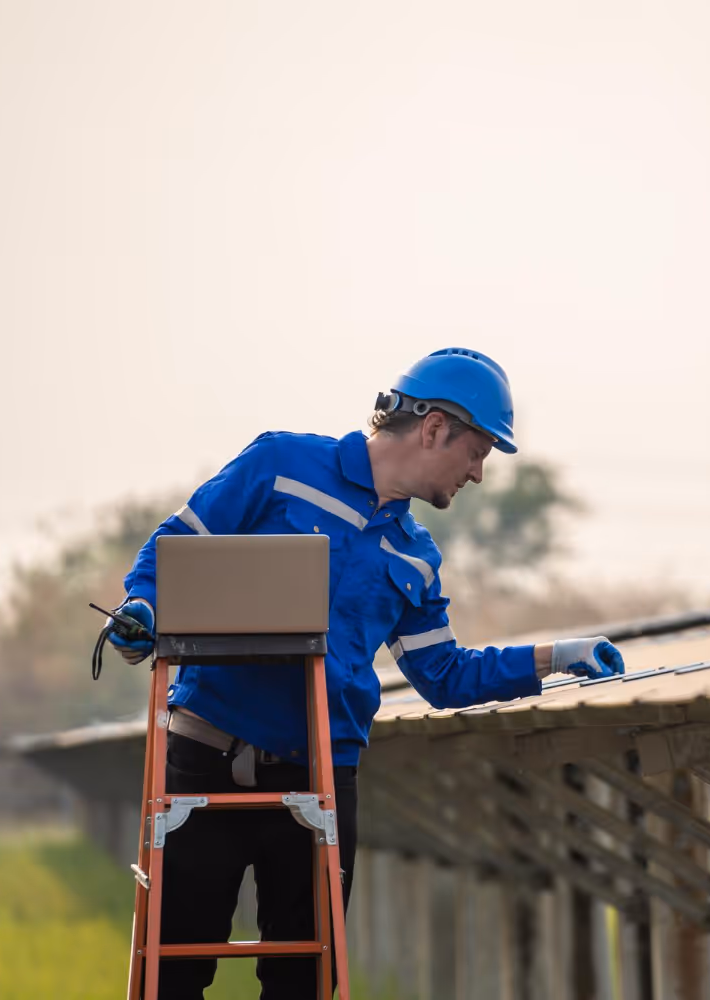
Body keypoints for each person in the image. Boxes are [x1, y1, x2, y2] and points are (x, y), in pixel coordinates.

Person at [107, 347, 626, 999]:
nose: (478, 475)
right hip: (204, 760)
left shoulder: (417, 556)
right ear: (436, 428)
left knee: (304, 981)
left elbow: (445, 674)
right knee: (173, 971)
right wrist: (143, 608)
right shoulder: (281, 466)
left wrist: (560, 657)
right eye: (477, 453)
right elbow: (175, 544)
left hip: (322, 779)